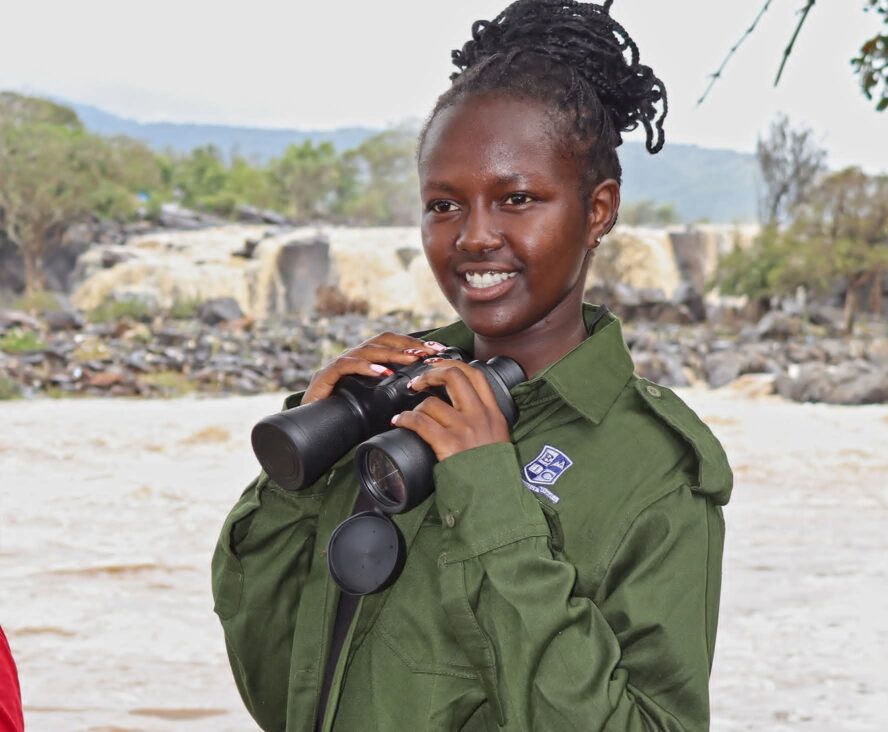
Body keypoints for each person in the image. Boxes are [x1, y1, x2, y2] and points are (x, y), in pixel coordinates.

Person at [211, 1, 732, 729]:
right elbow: (282, 692)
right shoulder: (393, 405)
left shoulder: (650, 469)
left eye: (517, 198)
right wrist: (297, 480)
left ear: (597, 211)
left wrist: (492, 502)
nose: (474, 237)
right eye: (443, 205)